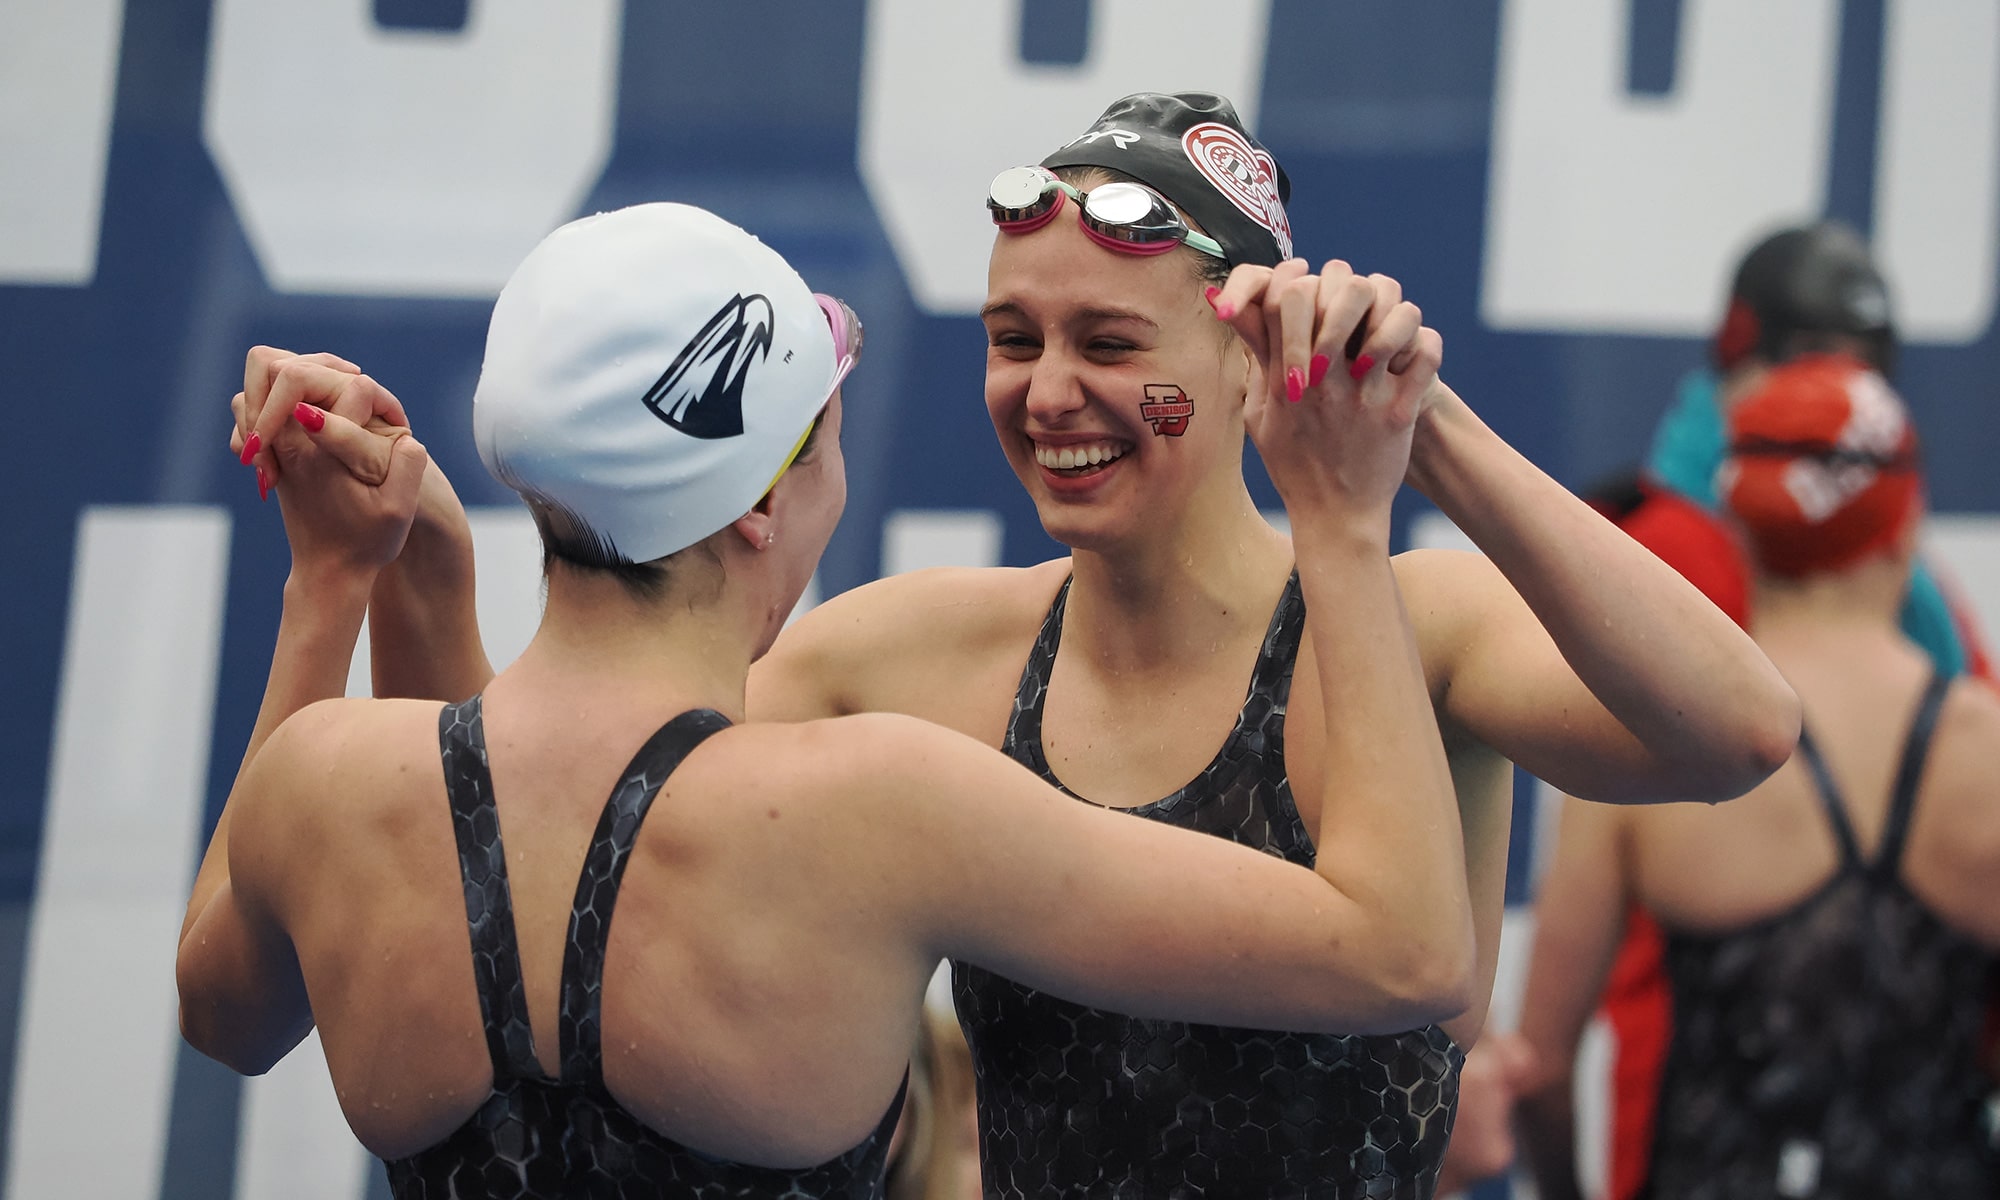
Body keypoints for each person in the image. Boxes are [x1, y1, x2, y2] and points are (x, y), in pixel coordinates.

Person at [341, 94, 1799, 1196]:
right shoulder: (919, 657)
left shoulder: (1409, 634)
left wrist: (1427, 428)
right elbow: (530, 840)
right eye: (1011, 338)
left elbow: (1737, 732)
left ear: (1248, 358)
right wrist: (428, 573)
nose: (1047, 394)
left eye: (1108, 345)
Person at [178, 202, 1488, 1196]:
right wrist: (1343, 517)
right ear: (758, 502)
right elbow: (1404, 953)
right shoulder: (874, 806)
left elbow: (228, 1016)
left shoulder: (330, 787)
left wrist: (343, 583)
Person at [1511, 222, 1997, 1200]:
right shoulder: (1975, 730)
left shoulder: (1652, 717)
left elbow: (1537, 1068)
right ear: (1904, 517)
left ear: (1743, 518)